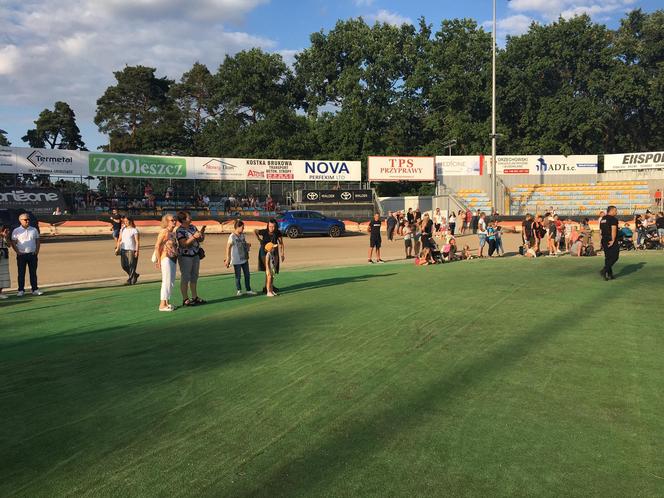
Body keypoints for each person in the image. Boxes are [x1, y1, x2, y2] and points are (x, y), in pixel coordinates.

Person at [176, 211, 206, 306]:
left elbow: (200, 239)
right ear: (184, 219)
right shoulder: (179, 230)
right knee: (185, 277)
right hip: (185, 256)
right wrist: (194, 237)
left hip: (195, 254)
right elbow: (183, 244)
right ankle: (185, 299)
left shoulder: (193, 227)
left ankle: (194, 297)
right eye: (189, 217)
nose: (191, 218)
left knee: (194, 276)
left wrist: (202, 234)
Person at [11, 214, 42, 297]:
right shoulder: (16, 230)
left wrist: (37, 251)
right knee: (21, 273)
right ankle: (21, 290)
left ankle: (35, 289)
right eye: (25, 219)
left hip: (32, 254)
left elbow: (38, 241)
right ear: (20, 220)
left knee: (33, 273)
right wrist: (17, 252)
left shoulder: (34, 230)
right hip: (21, 255)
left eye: (28, 219)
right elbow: (13, 242)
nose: (27, 221)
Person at [225, 220, 256, 296]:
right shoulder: (232, 236)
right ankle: (239, 290)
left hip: (244, 258)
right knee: (238, 276)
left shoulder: (242, 235)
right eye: (242, 227)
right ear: (237, 227)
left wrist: (247, 245)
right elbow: (228, 247)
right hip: (236, 260)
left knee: (247, 275)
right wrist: (228, 258)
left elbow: (243, 243)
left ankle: (248, 290)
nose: (243, 229)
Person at [154, 214, 178, 311]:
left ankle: (167, 302)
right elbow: (157, 246)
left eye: (175, 220)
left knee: (171, 282)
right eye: (172, 220)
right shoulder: (164, 232)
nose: (174, 221)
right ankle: (162, 304)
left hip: (173, 258)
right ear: (167, 222)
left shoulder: (173, 233)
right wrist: (159, 260)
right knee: (166, 281)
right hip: (166, 258)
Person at [256, 219, 285, 293]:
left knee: (273, 269)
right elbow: (255, 230)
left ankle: (269, 286)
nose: (271, 228)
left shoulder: (278, 232)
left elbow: (281, 243)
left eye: (273, 226)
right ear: (268, 226)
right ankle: (267, 288)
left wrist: (282, 254)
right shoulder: (264, 231)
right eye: (270, 226)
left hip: (274, 251)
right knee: (268, 270)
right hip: (264, 252)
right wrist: (259, 239)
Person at [115, 216, 140, 285]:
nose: (125, 222)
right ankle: (134, 275)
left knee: (132, 265)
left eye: (127, 221)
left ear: (131, 221)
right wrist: (117, 248)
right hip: (123, 249)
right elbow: (119, 239)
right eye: (124, 221)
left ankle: (130, 280)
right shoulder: (122, 229)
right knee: (124, 266)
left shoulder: (134, 230)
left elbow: (137, 241)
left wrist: (137, 251)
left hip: (131, 249)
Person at [599, 206, 619, 281]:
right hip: (611, 239)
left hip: (604, 239)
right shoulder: (613, 219)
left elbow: (601, 230)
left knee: (608, 257)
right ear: (612, 210)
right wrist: (613, 240)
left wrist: (601, 240)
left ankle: (609, 274)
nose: (616, 212)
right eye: (616, 211)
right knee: (615, 257)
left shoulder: (602, 219)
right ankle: (604, 270)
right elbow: (613, 229)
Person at [0, 224, 10, 299]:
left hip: (3, 255)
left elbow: (9, 245)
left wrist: (5, 237)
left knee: (3, 274)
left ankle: (0, 292)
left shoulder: (4, 235)